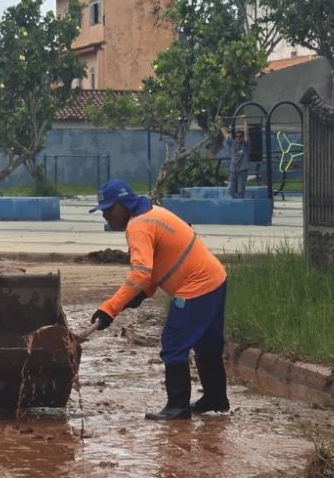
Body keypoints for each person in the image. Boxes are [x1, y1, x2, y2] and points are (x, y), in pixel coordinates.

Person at [89, 180, 230, 420]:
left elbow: (140, 272)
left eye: (110, 209)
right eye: (103, 210)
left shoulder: (138, 226)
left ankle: (177, 406)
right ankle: (215, 398)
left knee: (174, 341)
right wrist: (142, 293)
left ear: (124, 205)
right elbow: (159, 265)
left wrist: (109, 309)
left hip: (196, 287)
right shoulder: (152, 213)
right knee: (207, 343)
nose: (106, 215)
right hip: (215, 279)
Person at [221, 115, 250, 199]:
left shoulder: (246, 145)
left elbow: (247, 134)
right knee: (230, 190)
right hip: (233, 171)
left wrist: (244, 120)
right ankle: (235, 203)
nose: (238, 138)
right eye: (237, 136)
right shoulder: (233, 144)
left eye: (240, 136)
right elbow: (225, 133)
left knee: (241, 190)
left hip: (242, 171)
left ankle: (240, 204)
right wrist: (220, 121)